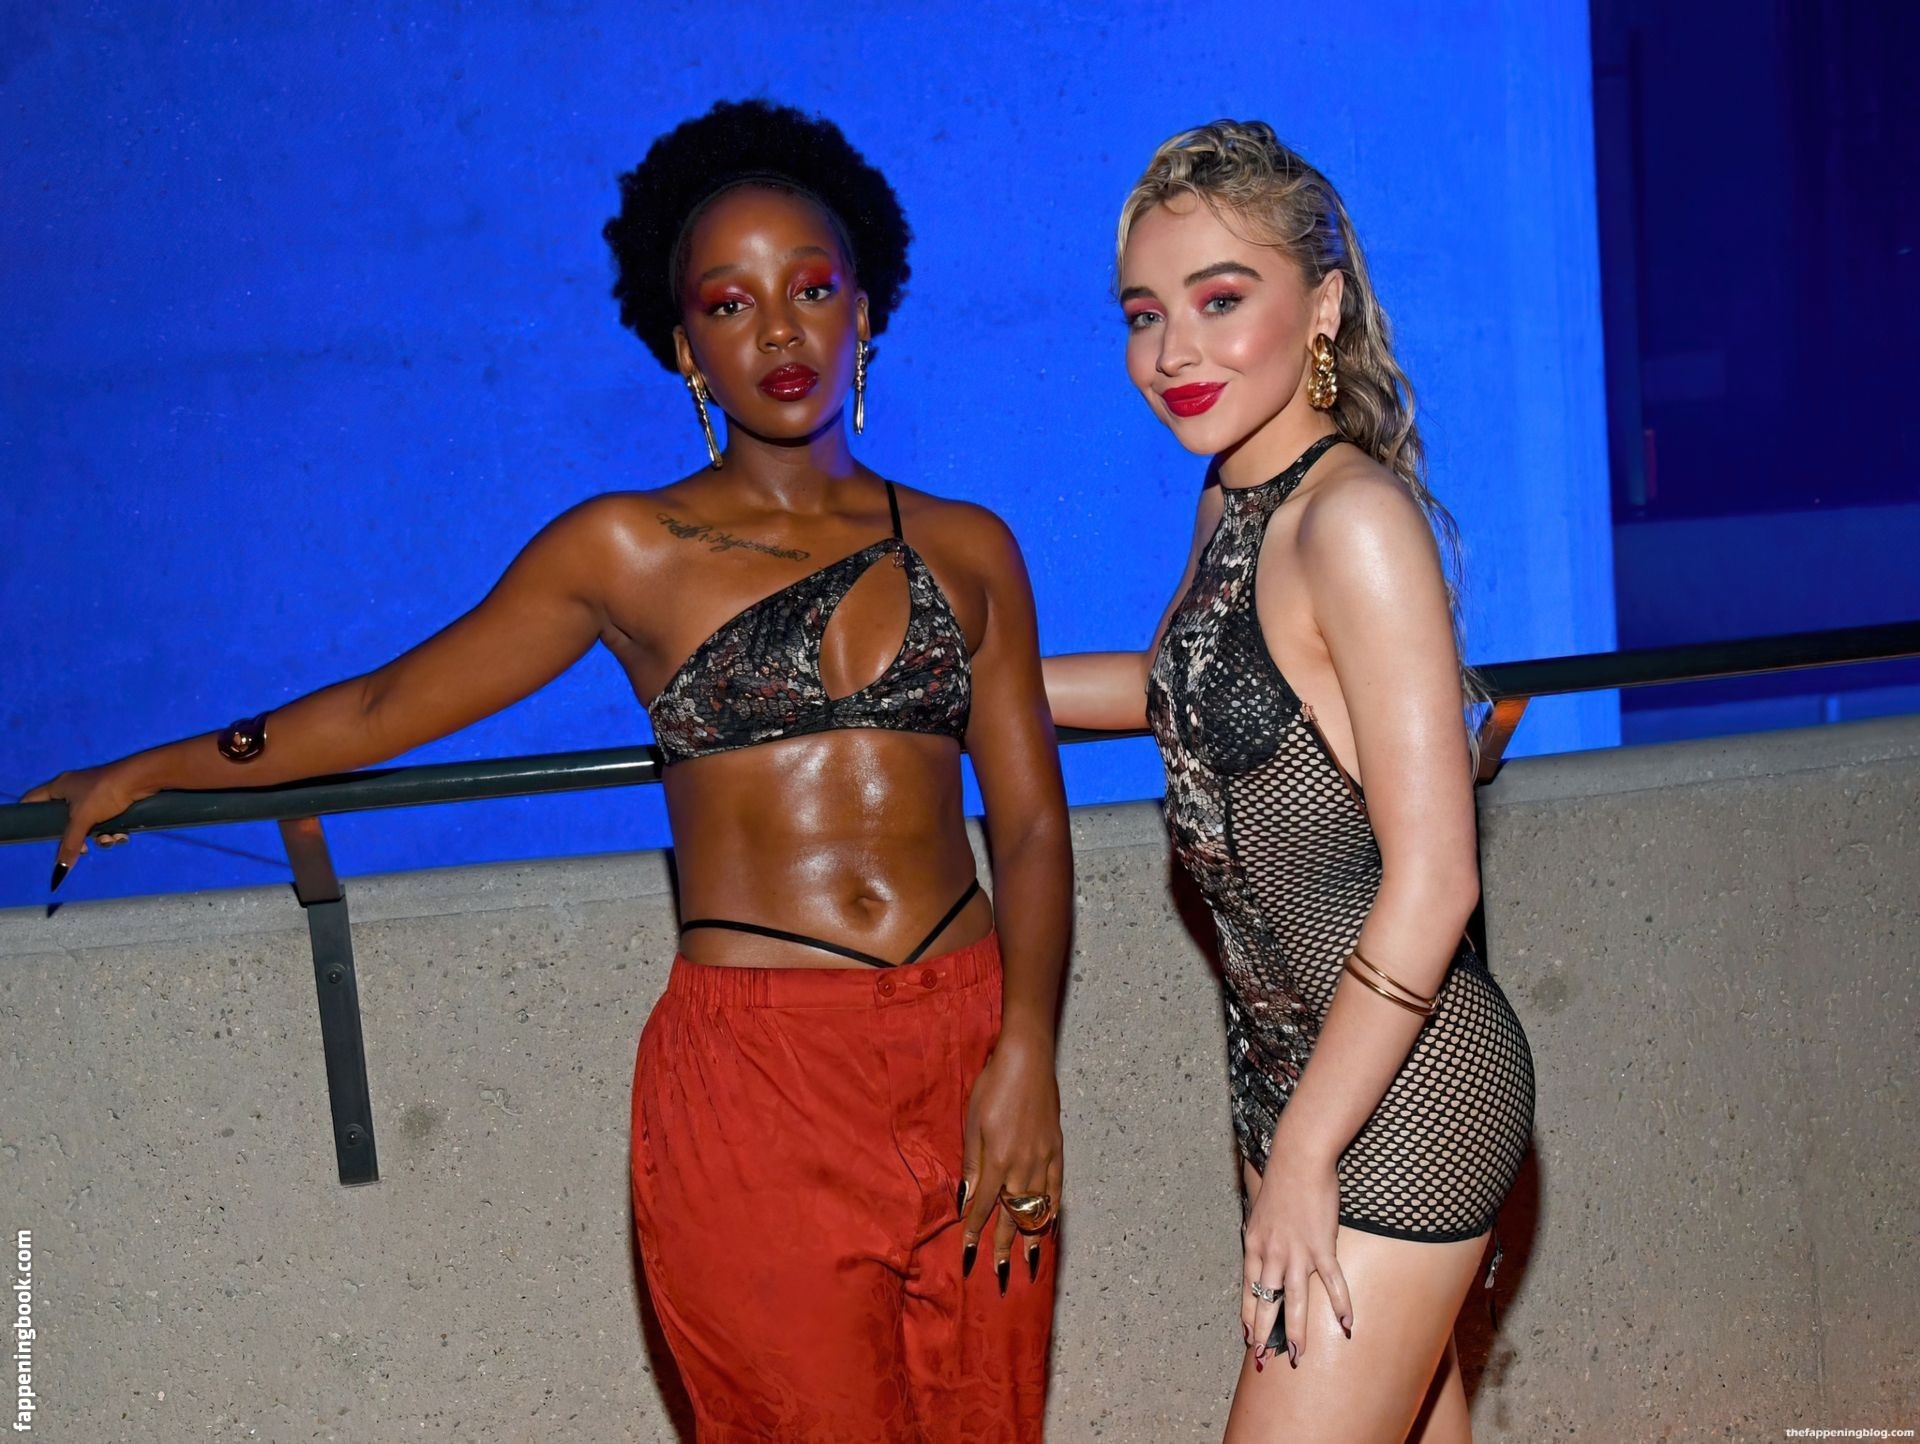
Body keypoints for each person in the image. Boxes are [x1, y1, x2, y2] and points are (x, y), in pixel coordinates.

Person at [27, 98, 1071, 1443]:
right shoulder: (623, 548)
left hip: (970, 1040)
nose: (780, 333)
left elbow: (1029, 828)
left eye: (811, 290)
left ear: (864, 307)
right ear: (684, 346)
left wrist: (1026, 1050)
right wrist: (155, 766)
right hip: (761, 1082)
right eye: (731, 304)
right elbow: (387, 703)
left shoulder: (972, 546)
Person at [1043, 121, 1534, 1442]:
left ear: (1322, 306)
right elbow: (1173, 681)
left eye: (1219, 300)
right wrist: (963, 684)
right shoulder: (1233, 501)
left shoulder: (1354, 522)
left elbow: (1437, 883)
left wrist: (1308, 1153)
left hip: (1405, 1099)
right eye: (1144, 315)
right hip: (1293, 1080)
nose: (1173, 354)